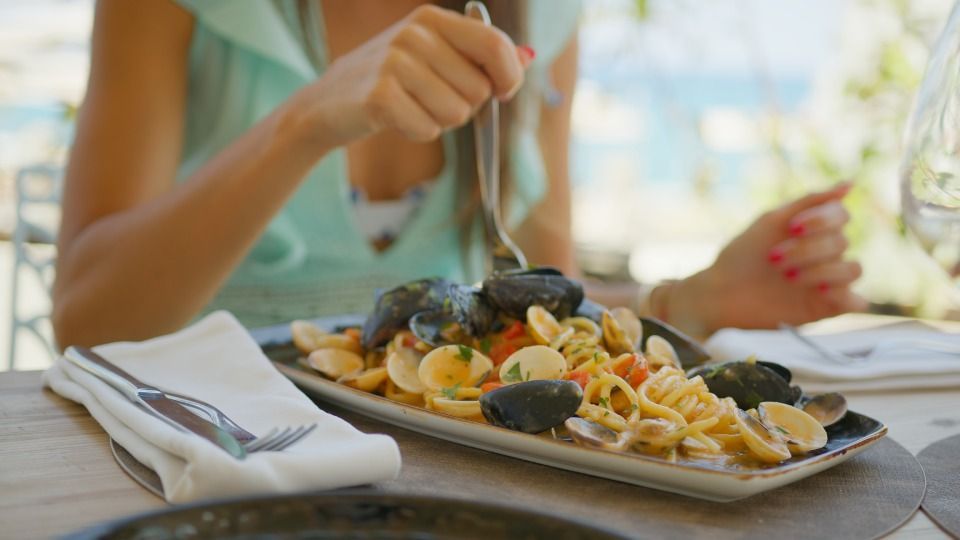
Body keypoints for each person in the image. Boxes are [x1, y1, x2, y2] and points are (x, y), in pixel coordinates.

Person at [52, 0, 866, 348]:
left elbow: (537, 305)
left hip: (438, 488)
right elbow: (87, 321)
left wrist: (694, 301)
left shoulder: (540, 17)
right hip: (192, 469)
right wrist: (303, 124)